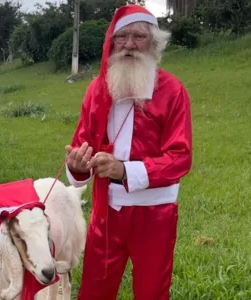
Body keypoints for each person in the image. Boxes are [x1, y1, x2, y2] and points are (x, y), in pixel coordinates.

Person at [64, 4, 192, 300]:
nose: (130, 45)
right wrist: (78, 165)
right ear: (112, 42)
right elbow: (81, 146)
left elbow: (181, 157)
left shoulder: (172, 91)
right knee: (94, 290)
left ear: (154, 44)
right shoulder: (98, 89)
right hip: (106, 211)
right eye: (122, 37)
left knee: (151, 292)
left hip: (155, 213)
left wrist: (124, 170)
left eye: (139, 37)